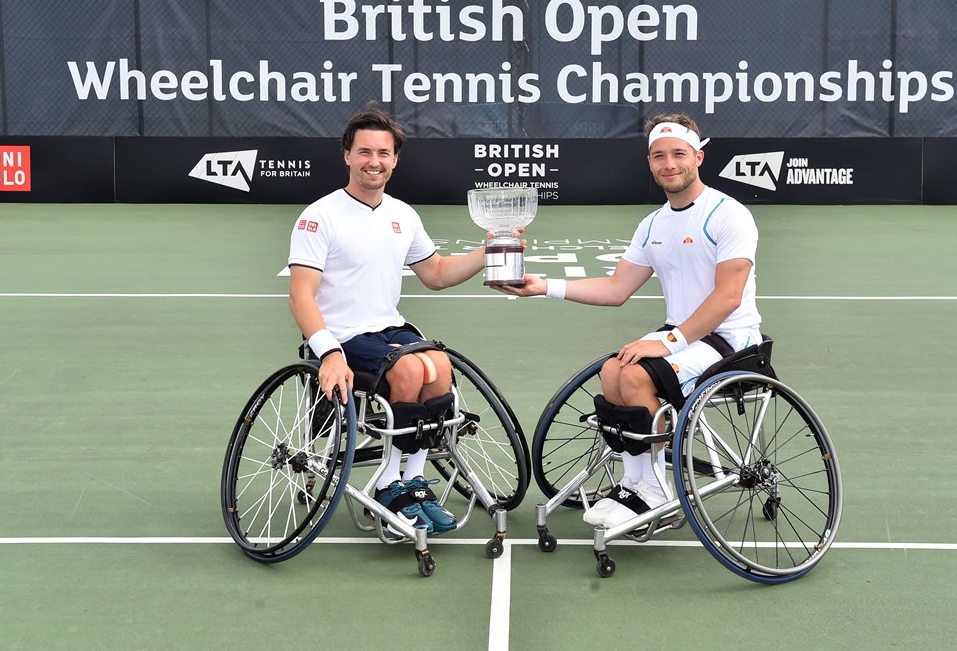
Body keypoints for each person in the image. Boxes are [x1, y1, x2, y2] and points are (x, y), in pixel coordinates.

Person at [495, 114, 762, 530]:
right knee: (611, 371)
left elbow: (728, 297)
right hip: (683, 335)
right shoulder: (653, 224)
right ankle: (635, 484)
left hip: (732, 337)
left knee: (636, 379)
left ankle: (655, 489)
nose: (669, 164)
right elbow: (618, 288)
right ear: (650, 162)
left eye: (678, 154)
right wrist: (543, 285)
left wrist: (670, 342)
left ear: (698, 157)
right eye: (659, 156)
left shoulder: (729, 215)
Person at [287, 106, 491, 536]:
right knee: (413, 366)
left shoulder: (403, 214)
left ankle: (410, 481)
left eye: (383, 152)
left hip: (387, 327)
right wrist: (328, 353)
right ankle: (386, 484)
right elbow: (301, 295)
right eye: (364, 151)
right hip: (341, 334)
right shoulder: (319, 216)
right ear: (347, 155)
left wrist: (487, 252)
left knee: (440, 366)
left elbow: (435, 274)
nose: (373, 161)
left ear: (395, 158)